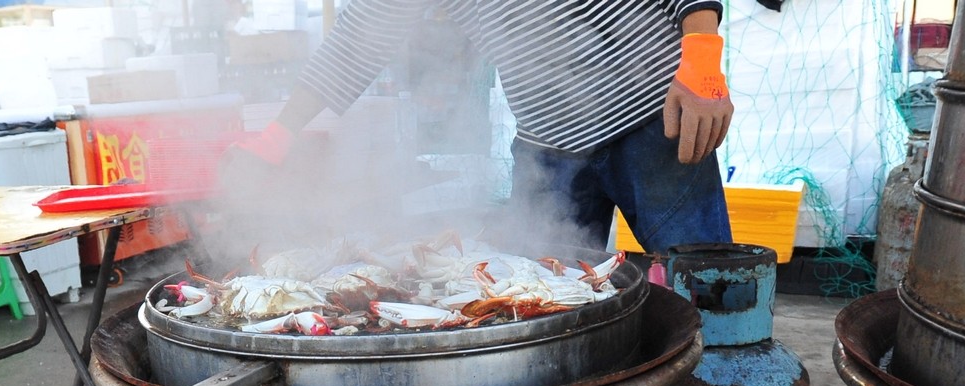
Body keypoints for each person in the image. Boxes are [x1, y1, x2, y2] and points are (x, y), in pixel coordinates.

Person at [233, 0, 733, 256]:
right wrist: (277, 135)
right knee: (543, 310)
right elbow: (359, 37)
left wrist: (703, 60)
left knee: (714, 295)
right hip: (548, 148)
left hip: (655, 117)